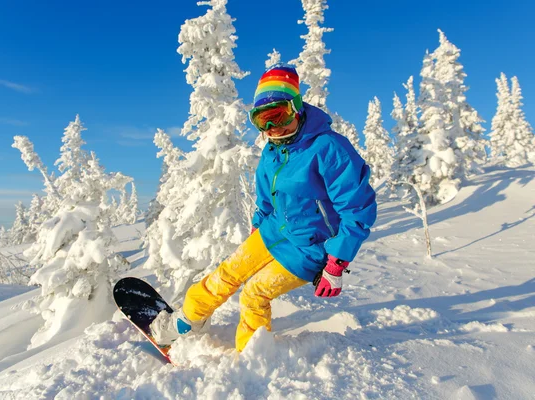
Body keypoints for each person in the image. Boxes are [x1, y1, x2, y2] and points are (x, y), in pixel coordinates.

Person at [150, 63, 377, 352]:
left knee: (254, 293)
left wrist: (337, 262)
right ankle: (187, 320)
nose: (273, 128)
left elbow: (357, 208)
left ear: (296, 108)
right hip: (273, 232)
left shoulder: (328, 148)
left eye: (279, 116)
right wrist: (259, 223)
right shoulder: (272, 151)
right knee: (227, 272)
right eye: (263, 121)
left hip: (309, 248)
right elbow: (266, 198)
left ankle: (251, 356)